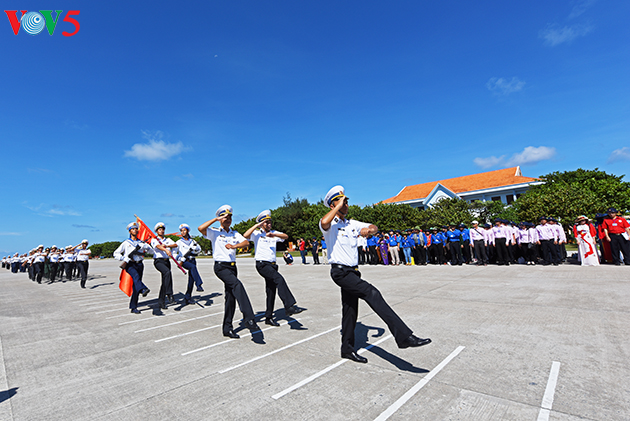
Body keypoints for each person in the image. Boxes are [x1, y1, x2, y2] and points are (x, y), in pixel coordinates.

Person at [319, 185, 431, 364]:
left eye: (346, 202)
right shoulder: (330, 225)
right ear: (333, 205)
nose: (346, 205)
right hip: (340, 272)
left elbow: (373, 227)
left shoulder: (351, 224)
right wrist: (338, 206)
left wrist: (370, 230)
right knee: (372, 293)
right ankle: (403, 336)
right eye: (341, 202)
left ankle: (346, 349)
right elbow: (324, 222)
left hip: (353, 272)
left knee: (350, 310)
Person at [198, 205, 259, 339]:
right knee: (237, 285)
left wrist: (234, 246)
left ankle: (227, 328)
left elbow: (246, 243)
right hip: (221, 267)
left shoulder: (234, 233)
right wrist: (216, 219)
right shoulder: (214, 232)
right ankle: (249, 318)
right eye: (225, 217)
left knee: (230, 297)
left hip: (232, 267)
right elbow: (201, 228)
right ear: (220, 219)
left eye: (230, 217)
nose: (228, 220)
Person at [243, 210, 304, 327]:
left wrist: (274, 235)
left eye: (270, 222)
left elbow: (285, 236)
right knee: (279, 279)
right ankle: (289, 306)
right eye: (266, 222)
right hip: (262, 264)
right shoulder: (257, 234)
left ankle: (269, 317)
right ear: (262, 224)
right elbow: (245, 235)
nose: (269, 224)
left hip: (272, 265)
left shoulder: (274, 233)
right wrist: (257, 226)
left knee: (271, 291)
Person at [113, 222, 152, 314]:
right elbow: (115, 253)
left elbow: (151, 252)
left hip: (140, 264)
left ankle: (133, 306)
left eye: (136, 229)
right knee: (136, 277)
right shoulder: (126, 243)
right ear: (130, 231)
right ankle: (143, 289)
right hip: (130, 265)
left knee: (136, 285)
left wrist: (147, 247)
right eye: (133, 229)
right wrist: (124, 258)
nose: (135, 230)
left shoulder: (141, 243)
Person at [175, 224, 203, 305]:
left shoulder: (193, 241)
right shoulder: (179, 242)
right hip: (184, 261)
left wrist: (195, 249)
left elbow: (199, 250)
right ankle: (199, 284)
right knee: (193, 267)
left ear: (188, 231)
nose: (183, 232)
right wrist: (180, 258)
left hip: (192, 260)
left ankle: (188, 297)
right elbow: (174, 253)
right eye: (181, 231)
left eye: (184, 230)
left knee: (191, 280)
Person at [151, 223, 177, 309]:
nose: (161, 231)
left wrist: (167, 245)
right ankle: (169, 293)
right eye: (159, 229)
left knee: (165, 281)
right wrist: (165, 249)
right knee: (167, 272)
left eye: (162, 229)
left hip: (167, 261)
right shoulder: (154, 239)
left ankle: (161, 302)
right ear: (156, 231)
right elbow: (158, 246)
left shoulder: (168, 239)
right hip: (159, 261)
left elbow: (175, 245)